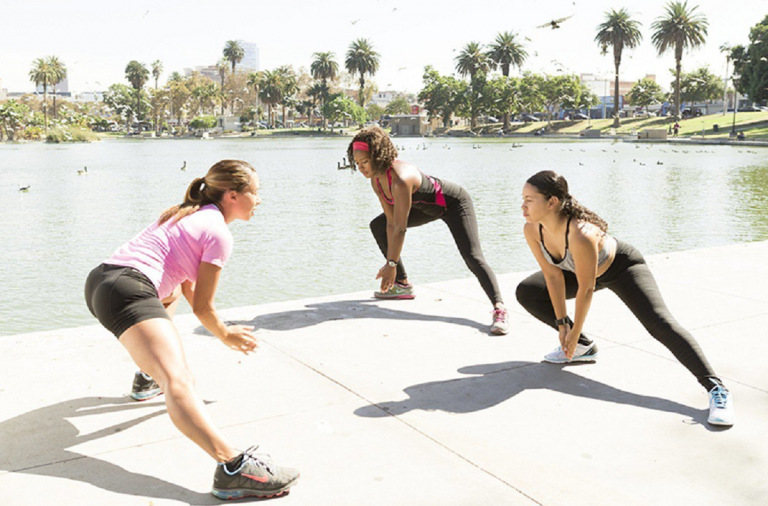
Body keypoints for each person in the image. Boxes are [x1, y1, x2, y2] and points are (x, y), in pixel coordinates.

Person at [84, 160, 300, 499]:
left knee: (165, 297)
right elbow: (203, 306)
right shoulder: (218, 233)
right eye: (254, 193)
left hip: (101, 280)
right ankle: (233, 467)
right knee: (180, 381)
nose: (259, 200)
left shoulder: (184, 214)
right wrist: (226, 334)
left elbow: (184, 288)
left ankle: (146, 376)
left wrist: (218, 330)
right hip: (129, 289)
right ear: (232, 195)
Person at [515, 170, 734, 426]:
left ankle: (716, 389)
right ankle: (585, 347)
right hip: (578, 272)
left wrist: (572, 334)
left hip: (621, 268)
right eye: (523, 198)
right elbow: (553, 277)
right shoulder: (532, 230)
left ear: (551, 202)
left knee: (659, 323)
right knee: (528, 292)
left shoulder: (580, 234)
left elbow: (586, 288)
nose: (523, 205)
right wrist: (563, 323)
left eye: (529, 199)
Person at [347, 126, 509, 335]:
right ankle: (403, 285)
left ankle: (499, 308)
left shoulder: (400, 179)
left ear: (377, 155)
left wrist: (391, 263)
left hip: (454, 204)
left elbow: (400, 228)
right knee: (377, 225)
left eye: (365, 162)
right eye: (357, 163)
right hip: (427, 209)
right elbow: (390, 222)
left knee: (472, 257)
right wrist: (390, 264)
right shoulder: (376, 180)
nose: (361, 168)